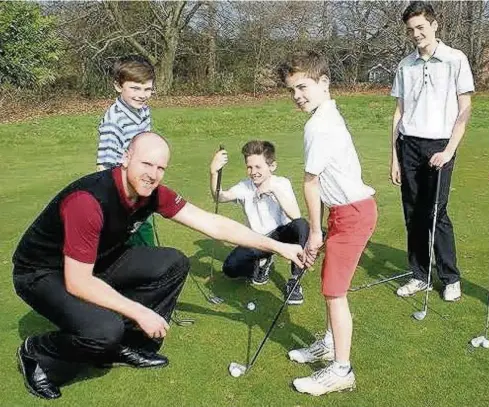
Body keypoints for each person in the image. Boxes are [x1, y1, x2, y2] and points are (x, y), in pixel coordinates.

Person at [13, 132, 306, 400]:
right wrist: (140, 311)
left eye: (160, 168)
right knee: (104, 330)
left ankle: (121, 347)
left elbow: (212, 223)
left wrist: (278, 246)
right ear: (126, 158)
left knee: (173, 263)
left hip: (96, 260)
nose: (153, 175)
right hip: (42, 272)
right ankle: (37, 353)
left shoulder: (153, 193)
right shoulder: (87, 202)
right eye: (146, 164)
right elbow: (78, 282)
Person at [278, 51, 377, 396]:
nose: (297, 95)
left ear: (324, 83)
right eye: (292, 90)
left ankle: (341, 369)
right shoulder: (328, 112)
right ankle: (329, 344)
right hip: (347, 211)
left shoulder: (319, 125)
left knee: (334, 292)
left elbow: (310, 182)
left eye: (303, 86)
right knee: (329, 283)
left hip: (352, 213)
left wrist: (315, 233)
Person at [391, 1, 474, 302]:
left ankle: (450, 277)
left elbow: (465, 109)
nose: (416, 34)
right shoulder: (405, 65)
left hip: (440, 144)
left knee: (436, 212)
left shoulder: (455, 59)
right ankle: (419, 275)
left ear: (434, 25)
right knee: (413, 213)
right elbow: (398, 113)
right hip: (409, 145)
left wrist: (450, 150)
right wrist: (394, 158)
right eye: (411, 30)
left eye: (421, 27)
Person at [209, 140, 309, 304]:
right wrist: (213, 173)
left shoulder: (281, 183)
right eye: (249, 167)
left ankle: (295, 281)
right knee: (230, 269)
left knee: (301, 225)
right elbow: (219, 197)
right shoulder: (244, 186)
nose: (253, 172)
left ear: (272, 166)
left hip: (281, 235)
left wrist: (273, 190)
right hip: (257, 241)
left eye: (258, 167)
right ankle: (262, 263)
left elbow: (296, 216)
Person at [96, 55, 157, 246]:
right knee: (132, 238)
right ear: (118, 86)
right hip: (123, 191)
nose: (142, 94)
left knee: (145, 228)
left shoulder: (143, 110)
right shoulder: (114, 122)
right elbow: (104, 165)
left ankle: (151, 269)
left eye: (147, 89)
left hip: (141, 183)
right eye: (135, 88)